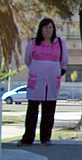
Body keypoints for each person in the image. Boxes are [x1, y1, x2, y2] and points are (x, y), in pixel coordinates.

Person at [17, 18, 68, 146]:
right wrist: (38, 69)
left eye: (50, 27)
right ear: (41, 29)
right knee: (32, 111)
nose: (48, 30)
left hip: (51, 82)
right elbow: (28, 60)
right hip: (37, 81)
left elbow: (64, 61)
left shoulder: (59, 43)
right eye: (45, 27)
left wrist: (57, 72)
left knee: (49, 111)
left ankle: (45, 138)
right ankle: (28, 138)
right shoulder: (33, 43)